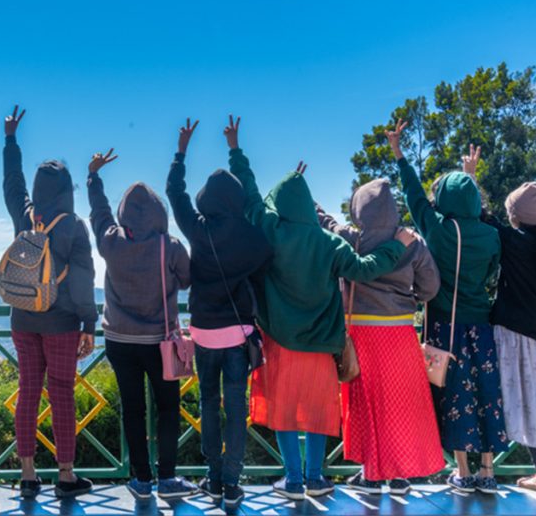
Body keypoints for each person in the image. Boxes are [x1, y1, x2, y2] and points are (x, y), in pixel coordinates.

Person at [225, 115, 416, 501]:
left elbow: (250, 194)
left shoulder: (270, 229)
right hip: (321, 342)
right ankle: (316, 477)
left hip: (279, 338)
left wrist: (235, 150)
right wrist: (398, 245)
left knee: (283, 410)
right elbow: (365, 269)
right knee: (315, 410)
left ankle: (292, 481)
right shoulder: (330, 242)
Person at [386, 122, 508, 494]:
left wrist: (399, 153)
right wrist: (469, 177)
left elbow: (413, 196)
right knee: (487, 393)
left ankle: (463, 470)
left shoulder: (437, 230)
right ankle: (489, 472)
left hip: (446, 328)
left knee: (455, 396)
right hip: (482, 328)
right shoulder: (491, 235)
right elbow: (491, 271)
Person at [165, 118, 273, 508]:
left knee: (208, 403)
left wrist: (181, 150)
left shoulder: (198, 228)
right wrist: (236, 148)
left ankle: (212, 478)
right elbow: (263, 269)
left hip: (204, 333)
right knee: (235, 406)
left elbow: (173, 191)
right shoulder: (253, 236)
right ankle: (231, 482)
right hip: (238, 335)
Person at [317, 180, 446, 494]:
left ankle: (372, 475)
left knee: (368, 404)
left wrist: (317, 210)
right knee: (399, 405)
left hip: (362, 333)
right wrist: (407, 298)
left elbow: (330, 227)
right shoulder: (411, 241)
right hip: (400, 332)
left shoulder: (351, 238)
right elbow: (430, 288)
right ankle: (400, 475)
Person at [86, 147, 197, 500]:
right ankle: (167, 477)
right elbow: (186, 280)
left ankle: (141, 479)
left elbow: (99, 213)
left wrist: (93, 177)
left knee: (132, 409)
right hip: (159, 341)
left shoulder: (110, 241)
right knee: (167, 409)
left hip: (119, 340)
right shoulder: (171, 246)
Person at [1, 105, 98, 499]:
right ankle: (66, 475)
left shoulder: (26, 217)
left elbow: (12, 184)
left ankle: (27, 475)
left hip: (23, 317)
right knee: (61, 395)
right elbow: (84, 281)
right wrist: (89, 325)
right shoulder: (74, 226)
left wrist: (10, 140)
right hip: (60, 324)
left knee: (28, 392)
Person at [463, 146, 536, 495]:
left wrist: (471, 175)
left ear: (517, 215)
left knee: (530, 404)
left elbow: (483, 218)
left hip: (517, 337)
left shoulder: (512, 241)